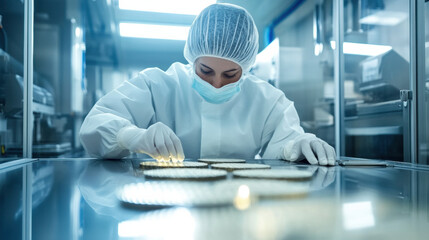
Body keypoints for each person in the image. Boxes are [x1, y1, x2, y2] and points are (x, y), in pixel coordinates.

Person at [79, 3, 336, 165]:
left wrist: (297, 146)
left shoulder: (268, 101)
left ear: (246, 68)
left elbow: (286, 144)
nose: (216, 83)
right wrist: (131, 136)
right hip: (166, 202)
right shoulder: (158, 85)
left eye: (230, 75)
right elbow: (94, 124)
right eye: (205, 71)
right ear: (192, 58)